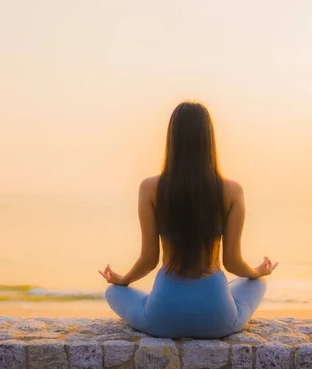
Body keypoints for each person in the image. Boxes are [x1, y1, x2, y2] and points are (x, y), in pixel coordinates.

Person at [98, 101, 278, 338]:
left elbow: (149, 260)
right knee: (256, 284)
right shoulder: (232, 191)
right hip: (217, 318)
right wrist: (258, 272)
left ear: (172, 138)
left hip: (163, 315)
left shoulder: (151, 188)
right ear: (209, 139)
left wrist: (123, 280)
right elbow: (233, 263)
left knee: (113, 293)